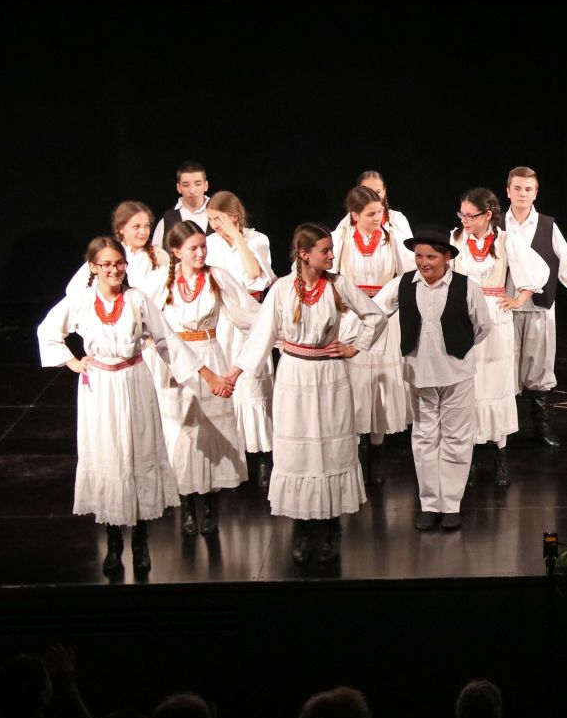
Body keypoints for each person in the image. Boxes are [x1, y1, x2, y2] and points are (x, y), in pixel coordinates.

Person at [39, 237, 229, 575]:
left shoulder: (137, 299)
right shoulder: (81, 301)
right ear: (94, 267)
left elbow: (168, 341)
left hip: (135, 381)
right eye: (106, 264)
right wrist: (72, 362)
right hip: (100, 387)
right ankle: (114, 543)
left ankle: (141, 543)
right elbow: (48, 331)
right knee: (110, 456)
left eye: (119, 263)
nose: (114, 270)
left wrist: (206, 374)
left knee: (137, 454)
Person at [227, 224, 386, 565]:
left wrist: (354, 347)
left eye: (331, 250)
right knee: (299, 452)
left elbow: (375, 315)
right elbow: (261, 334)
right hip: (295, 374)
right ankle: (301, 526)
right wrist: (235, 373)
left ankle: (331, 526)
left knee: (331, 448)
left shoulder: (338, 284)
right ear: (304, 254)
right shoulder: (283, 289)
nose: (331, 256)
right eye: (325, 251)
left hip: (329, 374)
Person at [144, 221, 261, 536]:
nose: (200, 253)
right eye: (192, 248)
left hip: (209, 355)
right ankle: (187, 506)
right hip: (174, 362)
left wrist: (278, 334)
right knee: (181, 432)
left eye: (203, 246)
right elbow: (141, 317)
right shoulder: (159, 281)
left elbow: (250, 314)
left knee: (210, 431)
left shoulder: (217, 277)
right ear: (176, 251)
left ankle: (211, 506)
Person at [374, 226, 490, 531]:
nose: (423, 262)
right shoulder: (403, 284)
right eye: (419, 256)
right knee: (424, 438)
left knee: (456, 437)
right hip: (420, 373)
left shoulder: (466, 286)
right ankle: (429, 503)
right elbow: (374, 312)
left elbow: (482, 326)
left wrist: (459, 348)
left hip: (456, 373)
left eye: (430, 257)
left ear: (446, 257)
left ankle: (450, 504)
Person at [451, 188, 548, 488]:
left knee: (496, 381)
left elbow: (538, 270)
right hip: (464, 316)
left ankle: (500, 455)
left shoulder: (505, 240)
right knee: (468, 384)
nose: (465, 220)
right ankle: (468, 457)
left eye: (471, 216)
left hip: (496, 317)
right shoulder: (455, 239)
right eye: (462, 214)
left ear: (488, 215)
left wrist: (518, 300)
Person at [502, 166, 567, 447]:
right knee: (504, 364)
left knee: (539, 364)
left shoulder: (547, 225)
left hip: (539, 306)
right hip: (505, 307)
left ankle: (541, 424)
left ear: (536, 193)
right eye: (517, 188)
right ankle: (504, 427)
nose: (522, 194)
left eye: (528, 189)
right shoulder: (497, 225)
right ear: (508, 191)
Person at [333, 185, 414, 487]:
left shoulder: (391, 238)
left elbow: (408, 273)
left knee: (380, 384)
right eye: (370, 214)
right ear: (354, 215)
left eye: (379, 212)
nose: (377, 218)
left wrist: (389, 303)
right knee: (355, 385)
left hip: (384, 317)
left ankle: (377, 452)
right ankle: (353, 452)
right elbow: (327, 272)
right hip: (353, 316)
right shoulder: (342, 239)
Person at [204, 191, 278, 487]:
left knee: (252, 383)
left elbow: (255, 275)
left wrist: (236, 237)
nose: (214, 226)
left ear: (234, 217)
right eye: (211, 220)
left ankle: (263, 457)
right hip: (222, 319)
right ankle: (235, 458)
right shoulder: (209, 244)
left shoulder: (257, 240)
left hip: (251, 317)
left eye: (219, 219)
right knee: (229, 385)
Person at [65, 201, 167, 294]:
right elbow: (73, 289)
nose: (143, 232)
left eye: (147, 226)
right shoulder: (107, 254)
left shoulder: (159, 255)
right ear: (121, 228)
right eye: (136, 227)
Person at [151, 160, 212, 248]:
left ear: (206, 185)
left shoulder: (220, 214)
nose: (192, 190)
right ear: (178, 188)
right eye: (186, 185)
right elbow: (156, 253)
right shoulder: (167, 220)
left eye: (197, 184)